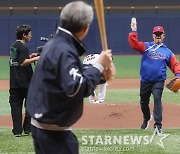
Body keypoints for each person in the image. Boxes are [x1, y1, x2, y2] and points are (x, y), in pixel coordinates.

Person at [26, 1, 115, 154]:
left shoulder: (56, 44)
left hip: (44, 127)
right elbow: (76, 88)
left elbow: (68, 75)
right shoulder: (64, 49)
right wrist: (99, 65)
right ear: (85, 27)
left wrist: (98, 72)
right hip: (54, 134)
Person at [128, 20, 180, 133]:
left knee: (157, 99)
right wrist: (134, 31)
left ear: (163, 36)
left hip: (158, 81)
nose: (158, 36)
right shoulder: (146, 46)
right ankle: (146, 118)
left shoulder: (167, 52)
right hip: (145, 81)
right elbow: (134, 44)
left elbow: (175, 64)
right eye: (156, 34)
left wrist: (178, 75)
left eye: (160, 34)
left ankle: (158, 125)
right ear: (153, 35)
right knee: (143, 101)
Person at [9, 24, 40, 137]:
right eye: (29, 34)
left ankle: (17, 131)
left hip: (14, 82)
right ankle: (27, 128)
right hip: (25, 82)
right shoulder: (23, 47)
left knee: (15, 106)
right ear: (24, 35)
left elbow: (19, 60)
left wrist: (30, 57)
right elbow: (22, 63)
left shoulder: (14, 46)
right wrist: (37, 58)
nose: (31, 36)